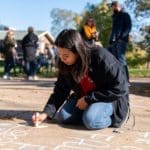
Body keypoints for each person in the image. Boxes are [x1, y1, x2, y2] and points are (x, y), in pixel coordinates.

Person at [32, 29, 129, 130]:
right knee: (64, 117)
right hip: (83, 97)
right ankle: (89, 112)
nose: (62, 59)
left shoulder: (100, 56)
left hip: (107, 98)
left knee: (91, 120)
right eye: (59, 55)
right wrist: (45, 113)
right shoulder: (65, 64)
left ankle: (109, 117)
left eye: (66, 56)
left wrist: (89, 99)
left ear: (78, 51)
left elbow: (121, 87)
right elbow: (60, 90)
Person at [108, 1, 132, 82]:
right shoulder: (115, 17)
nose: (114, 8)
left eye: (115, 6)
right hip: (113, 42)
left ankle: (126, 80)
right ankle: (118, 79)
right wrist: (111, 40)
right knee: (114, 61)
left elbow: (128, 27)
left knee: (121, 60)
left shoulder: (125, 15)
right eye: (113, 7)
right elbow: (114, 30)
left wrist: (121, 37)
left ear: (119, 6)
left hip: (121, 41)